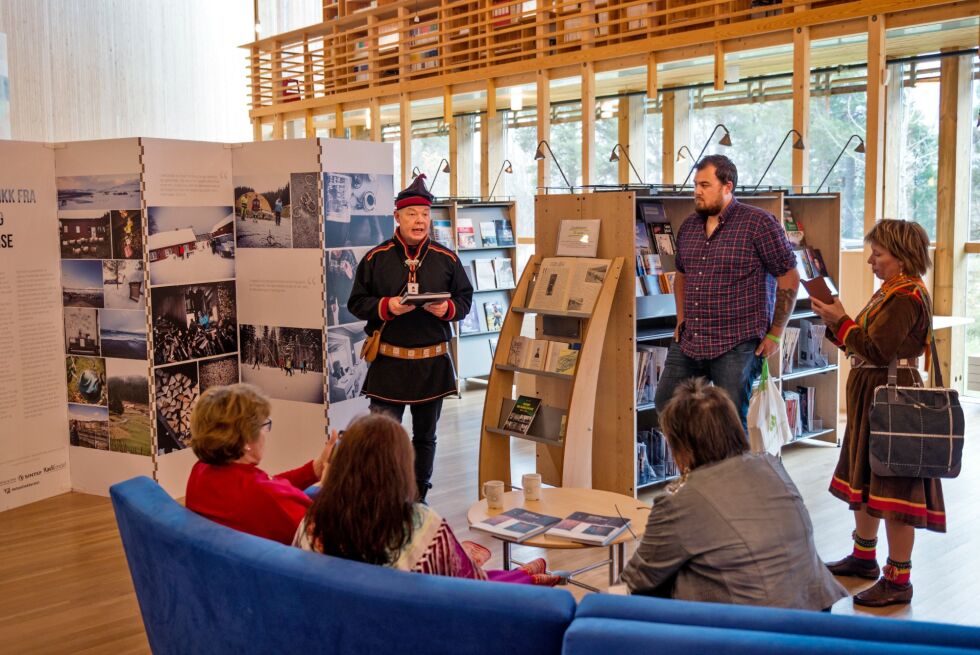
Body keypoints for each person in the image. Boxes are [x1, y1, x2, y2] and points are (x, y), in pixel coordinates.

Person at [622, 378, 846, 610]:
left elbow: (639, 579)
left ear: (682, 446)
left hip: (752, 631)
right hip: (816, 610)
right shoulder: (772, 465)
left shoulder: (679, 502)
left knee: (663, 580)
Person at [810, 219, 939, 607]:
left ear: (901, 257)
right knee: (867, 480)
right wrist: (838, 323)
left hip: (893, 397)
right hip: (876, 395)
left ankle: (898, 579)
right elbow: (864, 342)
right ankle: (864, 558)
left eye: (878, 254)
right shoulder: (891, 291)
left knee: (895, 489)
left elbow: (879, 350)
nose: (870, 260)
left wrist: (841, 321)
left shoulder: (904, 297)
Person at [294, 414, 556, 585]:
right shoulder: (419, 523)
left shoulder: (313, 519)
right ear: (401, 469)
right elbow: (469, 586)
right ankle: (524, 577)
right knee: (502, 578)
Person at [348, 174, 473, 501]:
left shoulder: (448, 259)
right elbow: (356, 303)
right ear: (397, 217)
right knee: (381, 439)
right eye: (412, 214)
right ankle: (382, 496)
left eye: (425, 214)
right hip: (389, 363)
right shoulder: (376, 258)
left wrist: (446, 308)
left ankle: (418, 498)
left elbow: (465, 300)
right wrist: (387, 306)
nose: (419, 221)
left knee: (425, 438)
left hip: (431, 363)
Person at [654, 155, 799, 430]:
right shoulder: (689, 227)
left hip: (737, 343)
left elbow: (789, 276)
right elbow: (682, 275)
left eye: (705, 185)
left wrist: (776, 334)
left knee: (730, 423)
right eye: (695, 184)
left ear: (727, 186)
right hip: (690, 339)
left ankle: (730, 473)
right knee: (667, 406)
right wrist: (681, 319)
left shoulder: (758, 223)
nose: (697, 191)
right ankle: (699, 468)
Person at [185, 383, 336, 545]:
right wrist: (331, 485)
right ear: (246, 439)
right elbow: (328, 536)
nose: (265, 433)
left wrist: (316, 469)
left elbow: (270, 486)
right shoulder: (262, 497)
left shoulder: (201, 471)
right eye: (264, 425)